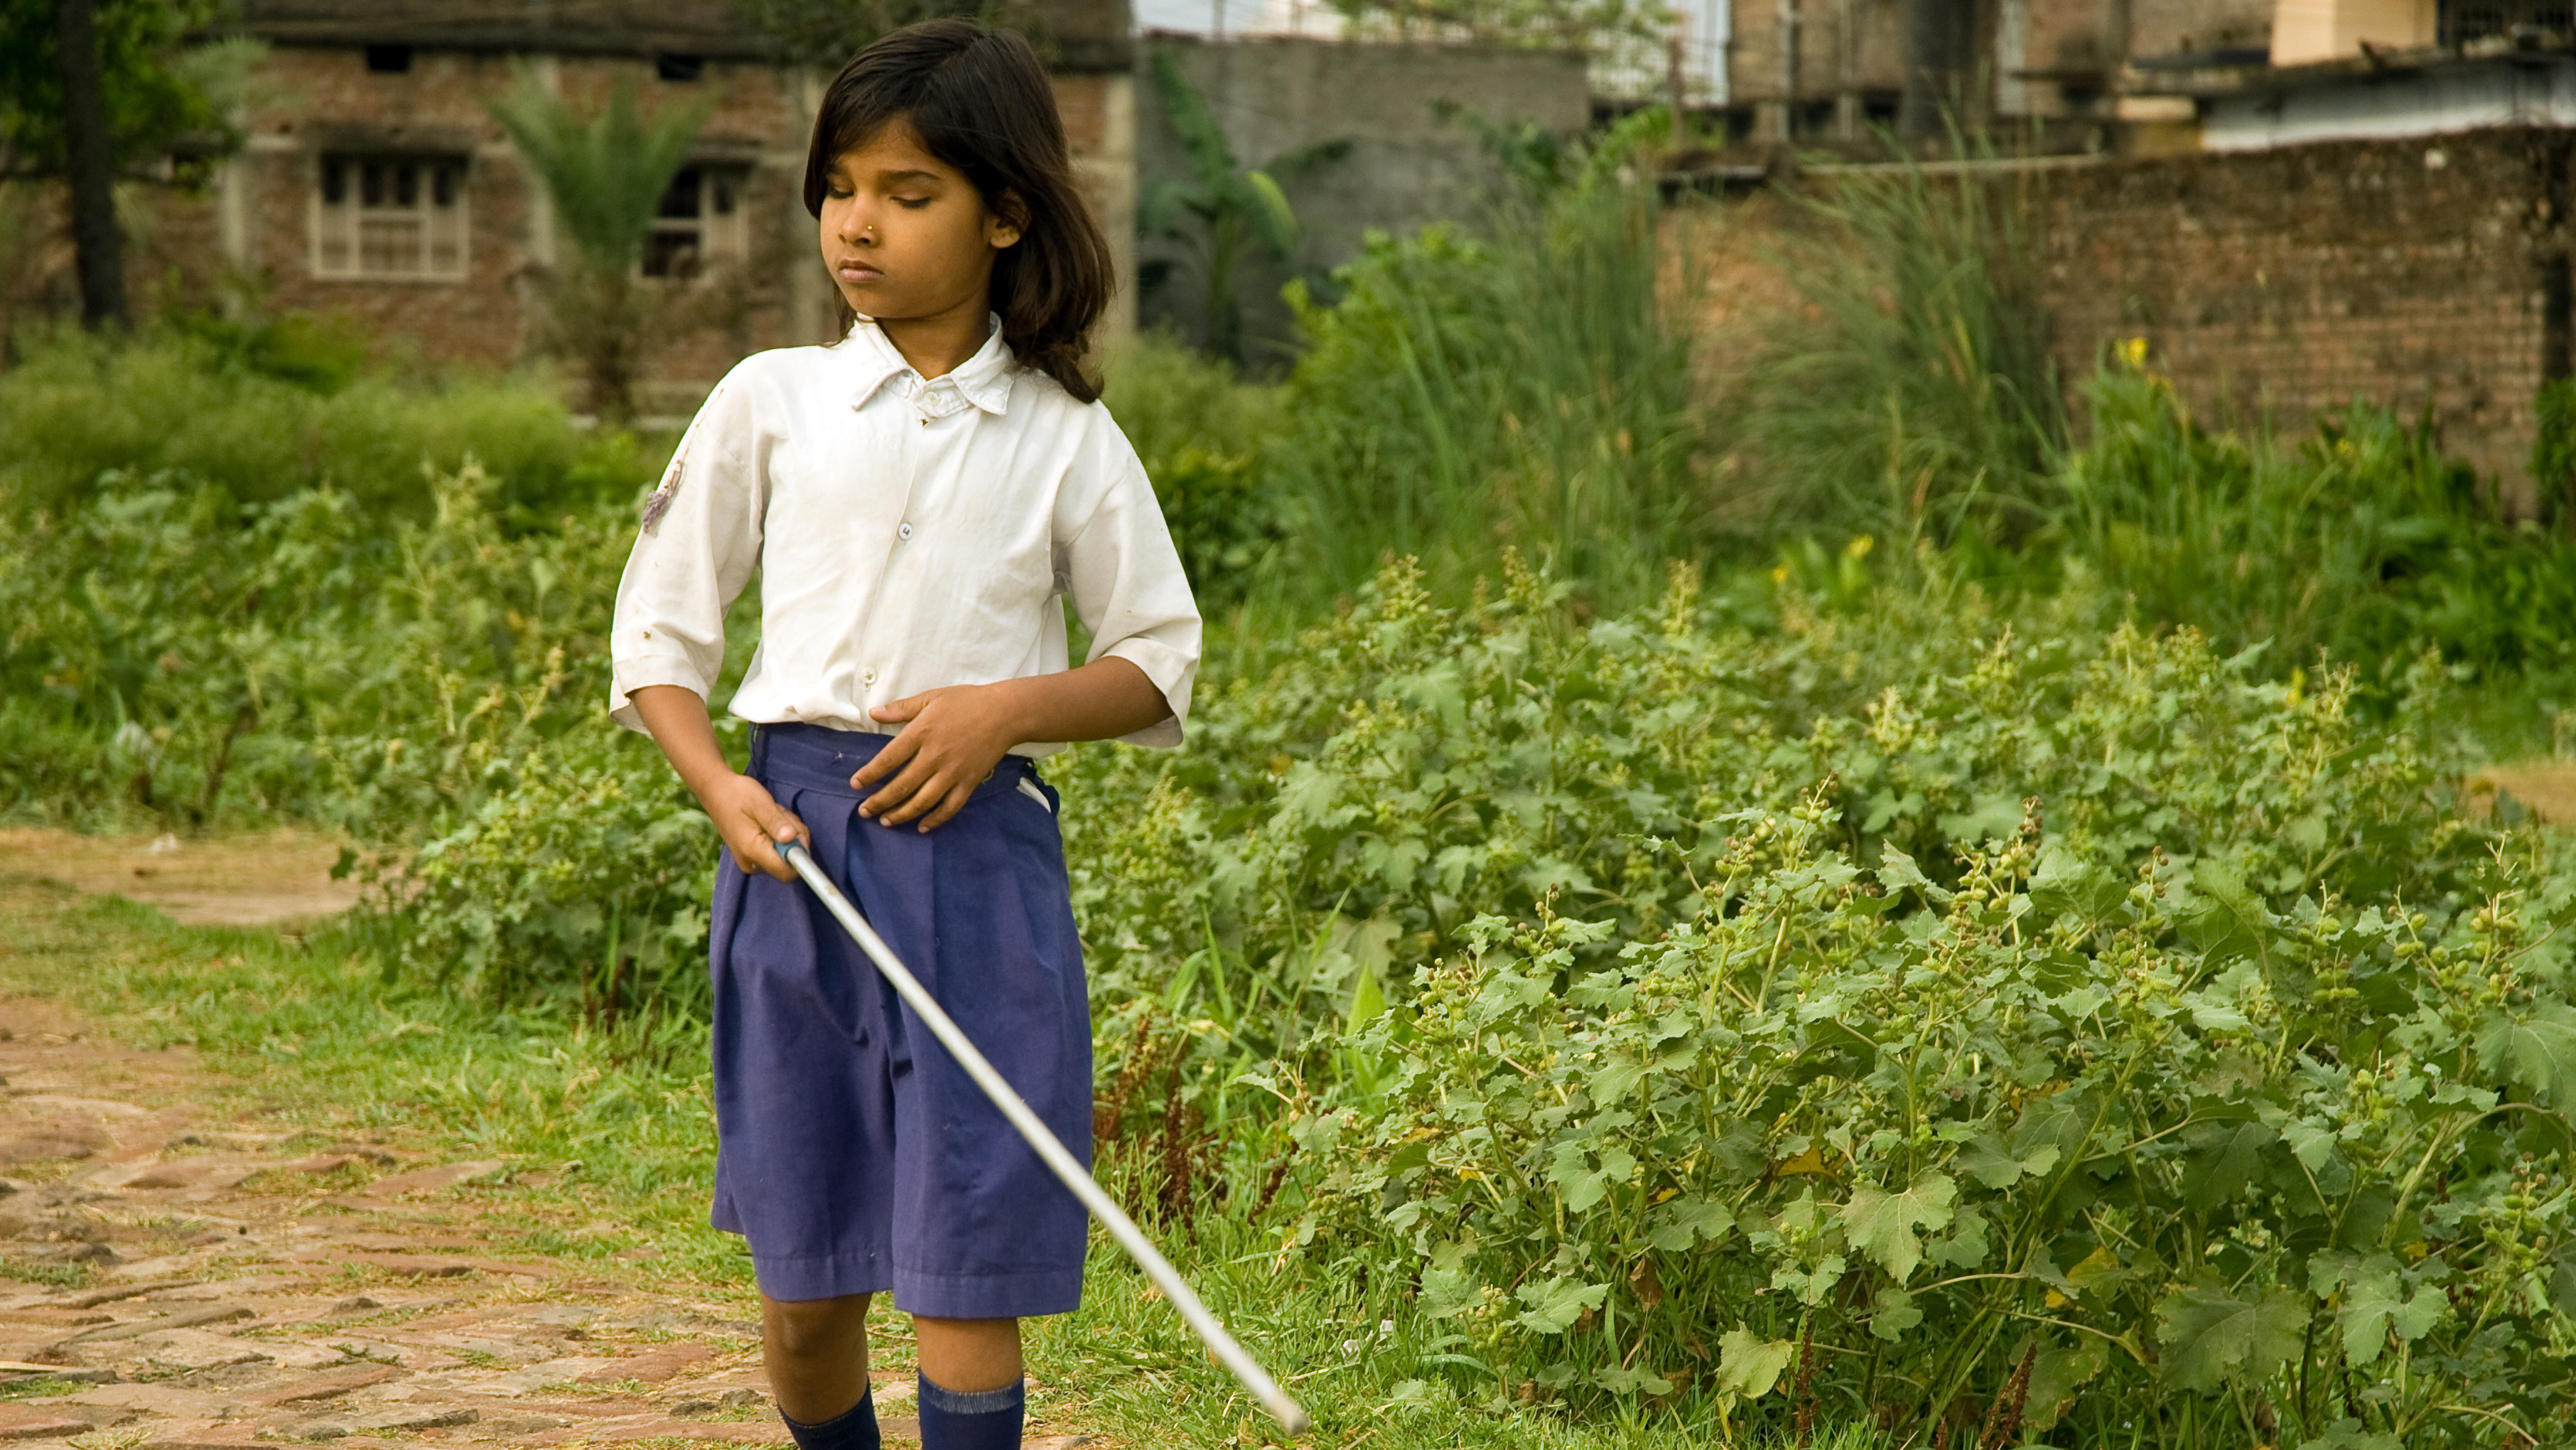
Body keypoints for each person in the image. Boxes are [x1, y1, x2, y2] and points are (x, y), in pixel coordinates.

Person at [608, 21, 1200, 1450]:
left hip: (977, 868)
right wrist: (717, 791)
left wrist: (1007, 709)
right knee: (810, 1292)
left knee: (962, 1268)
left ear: (1005, 214)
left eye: (908, 193)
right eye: (840, 188)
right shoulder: (774, 401)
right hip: (795, 855)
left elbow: (1157, 662)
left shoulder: (1066, 435)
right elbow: (658, 642)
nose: (858, 224)